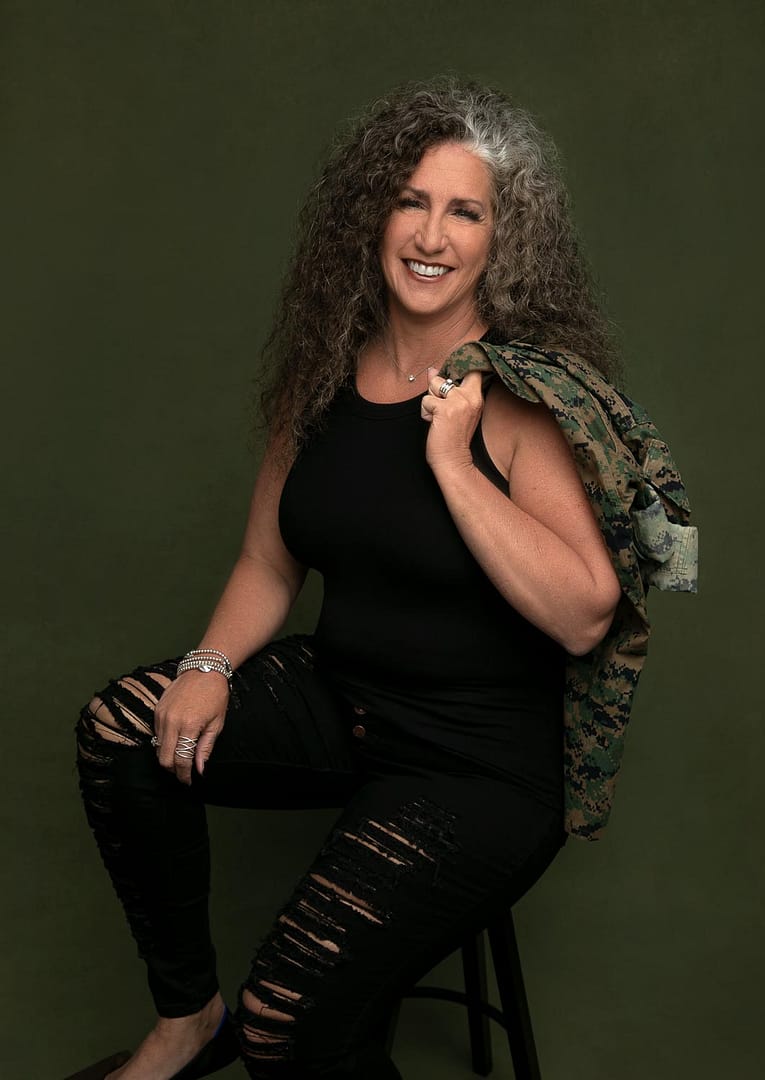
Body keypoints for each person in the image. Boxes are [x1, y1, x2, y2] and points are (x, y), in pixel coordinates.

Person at [71, 77, 628, 1080]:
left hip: (477, 766)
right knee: (121, 732)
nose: (431, 234)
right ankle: (187, 1018)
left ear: (502, 239)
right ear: (372, 216)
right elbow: (267, 559)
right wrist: (207, 664)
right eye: (410, 201)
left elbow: (585, 614)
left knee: (286, 1020)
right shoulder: (323, 372)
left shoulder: (520, 395)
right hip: (343, 704)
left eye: (465, 211)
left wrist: (453, 462)